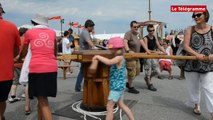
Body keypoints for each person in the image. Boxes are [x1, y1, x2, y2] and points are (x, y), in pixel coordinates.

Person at [18, 14, 58, 120]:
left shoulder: (30, 32)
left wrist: (18, 59)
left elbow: (24, 51)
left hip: (37, 68)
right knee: (43, 97)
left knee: (43, 101)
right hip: (51, 67)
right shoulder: (53, 32)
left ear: (34, 23)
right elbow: (55, 51)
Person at [92, 37, 134, 120]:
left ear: (115, 49)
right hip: (120, 86)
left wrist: (97, 56)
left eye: (111, 49)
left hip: (116, 87)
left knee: (109, 107)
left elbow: (109, 62)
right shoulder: (122, 57)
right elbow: (124, 71)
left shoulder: (118, 58)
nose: (110, 51)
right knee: (121, 105)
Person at [183, 10, 213, 119]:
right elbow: (186, 46)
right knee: (193, 87)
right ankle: (196, 105)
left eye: (198, 14)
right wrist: (197, 54)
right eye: (194, 15)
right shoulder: (190, 29)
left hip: (208, 65)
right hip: (192, 63)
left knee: (209, 88)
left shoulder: (212, 28)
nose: (196, 17)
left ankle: (212, 113)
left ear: (205, 16)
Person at [0, 3, 21, 120]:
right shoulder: (12, 27)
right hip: (5, 73)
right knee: (2, 99)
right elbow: (16, 51)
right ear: (1, 12)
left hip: (6, 73)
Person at [124, 21, 150, 94]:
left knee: (137, 71)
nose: (136, 28)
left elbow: (142, 42)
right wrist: (128, 50)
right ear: (131, 27)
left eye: (137, 27)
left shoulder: (138, 34)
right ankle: (130, 87)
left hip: (136, 56)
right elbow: (125, 42)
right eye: (134, 27)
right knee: (132, 72)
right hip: (130, 57)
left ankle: (128, 83)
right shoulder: (128, 33)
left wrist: (148, 51)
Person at [8, 28, 29, 103]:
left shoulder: (15, 40)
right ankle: (24, 94)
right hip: (23, 62)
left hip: (14, 63)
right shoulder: (26, 40)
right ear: (24, 33)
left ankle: (12, 96)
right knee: (26, 80)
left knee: (14, 80)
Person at [143, 24, 166, 91]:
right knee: (148, 71)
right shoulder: (145, 38)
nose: (152, 31)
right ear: (148, 31)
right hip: (147, 56)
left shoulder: (155, 37)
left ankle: (147, 78)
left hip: (153, 55)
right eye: (150, 30)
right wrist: (154, 52)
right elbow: (146, 49)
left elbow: (158, 45)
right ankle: (150, 84)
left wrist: (164, 51)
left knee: (157, 71)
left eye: (153, 30)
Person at [75, 19, 95, 92]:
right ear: (88, 26)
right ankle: (79, 87)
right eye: (92, 27)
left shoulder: (84, 31)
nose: (93, 29)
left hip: (84, 53)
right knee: (83, 71)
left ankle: (79, 87)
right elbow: (89, 42)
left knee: (83, 71)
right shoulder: (85, 32)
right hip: (85, 54)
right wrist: (95, 48)